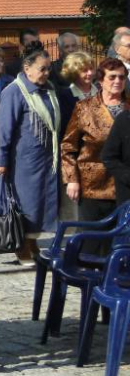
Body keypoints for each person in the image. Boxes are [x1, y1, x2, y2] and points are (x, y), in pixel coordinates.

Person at [0, 41, 62, 266]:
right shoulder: (13, 92)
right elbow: (4, 130)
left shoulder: (49, 89)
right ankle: (21, 244)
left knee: (42, 202)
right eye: (42, 68)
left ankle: (32, 242)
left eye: (48, 68)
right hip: (22, 161)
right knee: (26, 202)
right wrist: (1, 160)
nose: (46, 73)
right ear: (27, 68)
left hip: (46, 158)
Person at [61, 58, 129, 254]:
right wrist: (72, 179)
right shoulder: (85, 108)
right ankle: (89, 281)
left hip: (124, 185)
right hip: (93, 184)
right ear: (101, 80)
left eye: (122, 77)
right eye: (112, 77)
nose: (117, 81)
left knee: (119, 243)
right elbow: (68, 146)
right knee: (92, 241)